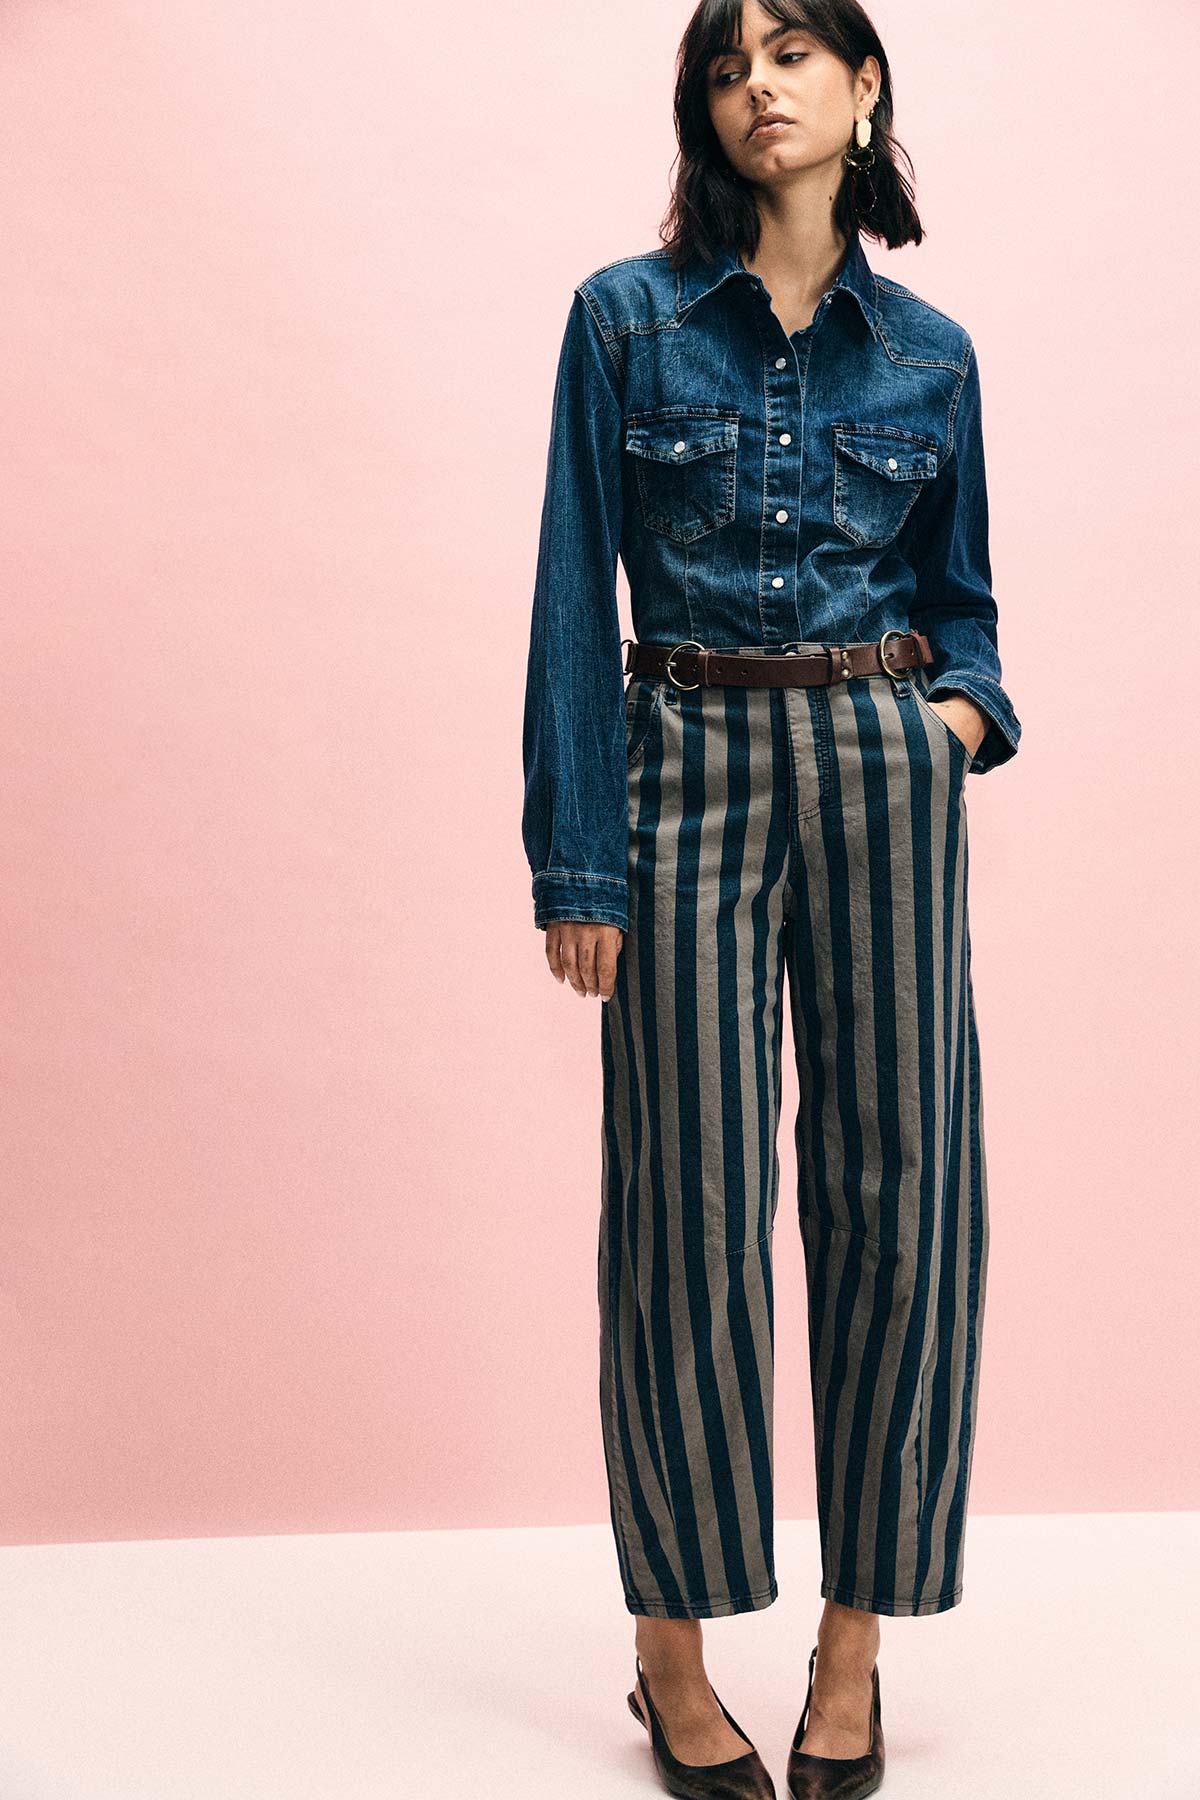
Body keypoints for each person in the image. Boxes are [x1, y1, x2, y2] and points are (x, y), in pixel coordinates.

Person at [520, 2, 1021, 1795]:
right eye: (729, 66)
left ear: (866, 86)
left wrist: (948, 720)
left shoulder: (935, 352)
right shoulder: (626, 320)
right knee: (689, 1209)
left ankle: (852, 1648)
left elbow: (966, 604)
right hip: (685, 772)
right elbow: (579, 589)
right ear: (703, 110)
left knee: (903, 1197)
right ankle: (670, 1652)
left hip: (883, 777)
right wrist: (576, 856)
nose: (763, 87)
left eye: (796, 52)